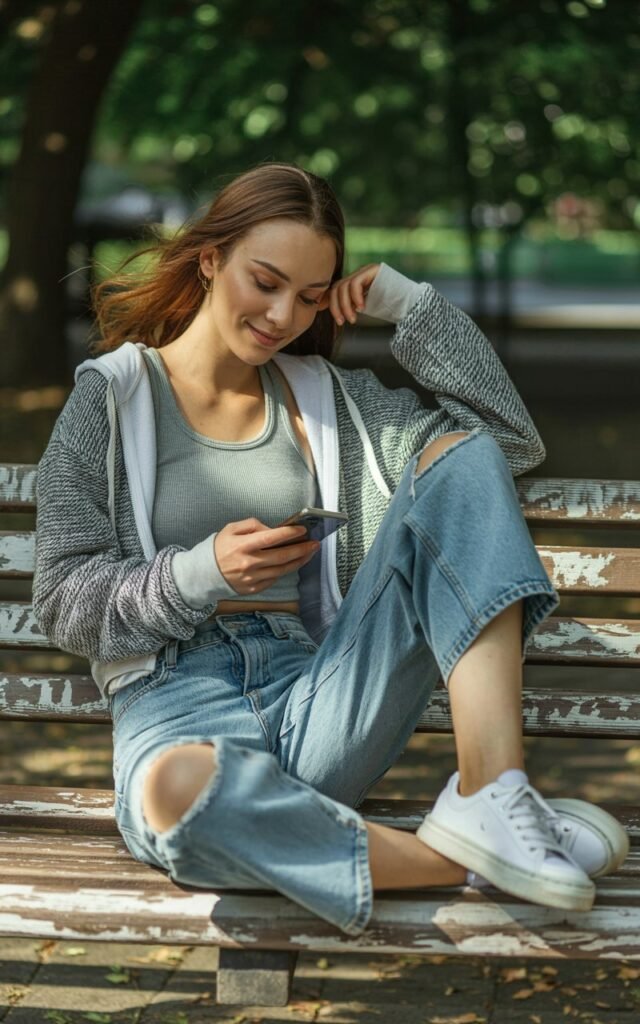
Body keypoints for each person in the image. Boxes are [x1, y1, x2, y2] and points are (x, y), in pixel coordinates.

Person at [33, 162, 628, 936]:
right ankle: (474, 856)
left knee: (462, 454)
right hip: (175, 704)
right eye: (266, 282)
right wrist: (199, 573)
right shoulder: (112, 398)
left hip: (325, 693)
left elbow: (504, 447)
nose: (283, 315)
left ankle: (493, 791)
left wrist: (409, 306)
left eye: (311, 296)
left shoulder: (330, 401)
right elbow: (61, 600)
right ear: (210, 258)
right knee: (181, 796)